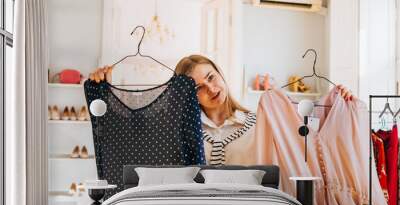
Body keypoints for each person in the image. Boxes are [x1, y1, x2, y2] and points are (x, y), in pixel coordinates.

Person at [89, 55, 354, 165]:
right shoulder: (182, 133)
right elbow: (134, 131)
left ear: (221, 74)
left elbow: (311, 132)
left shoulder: (259, 121)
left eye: (211, 77)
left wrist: (339, 103)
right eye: (197, 88)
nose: (210, 88)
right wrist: (105, 89)